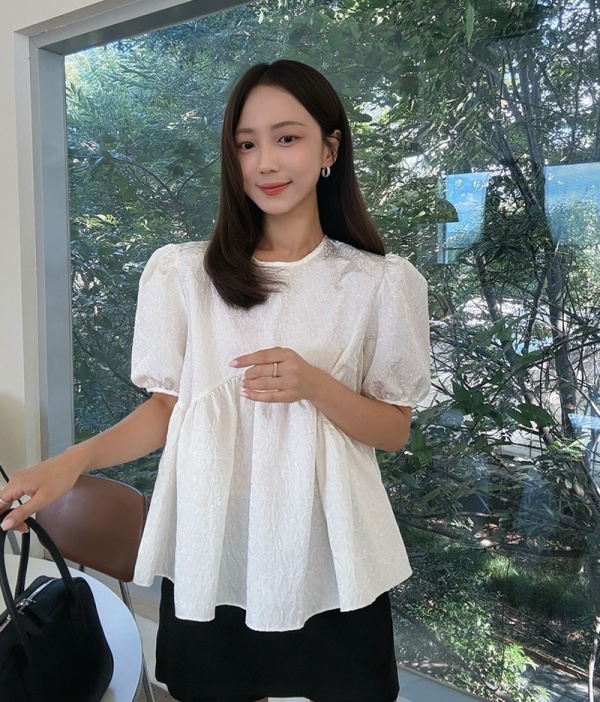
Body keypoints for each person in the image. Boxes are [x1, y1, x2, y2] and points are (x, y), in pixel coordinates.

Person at [0, 59, 430, 702]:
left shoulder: (378, 284)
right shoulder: (185, 277)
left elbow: (393, 429)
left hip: (331, 553)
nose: (265, 162)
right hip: (213, 548)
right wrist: (72, 461)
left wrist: (316, 386)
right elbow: (165, 409)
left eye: (287, 138)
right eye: (246, 144)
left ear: (329, 149)